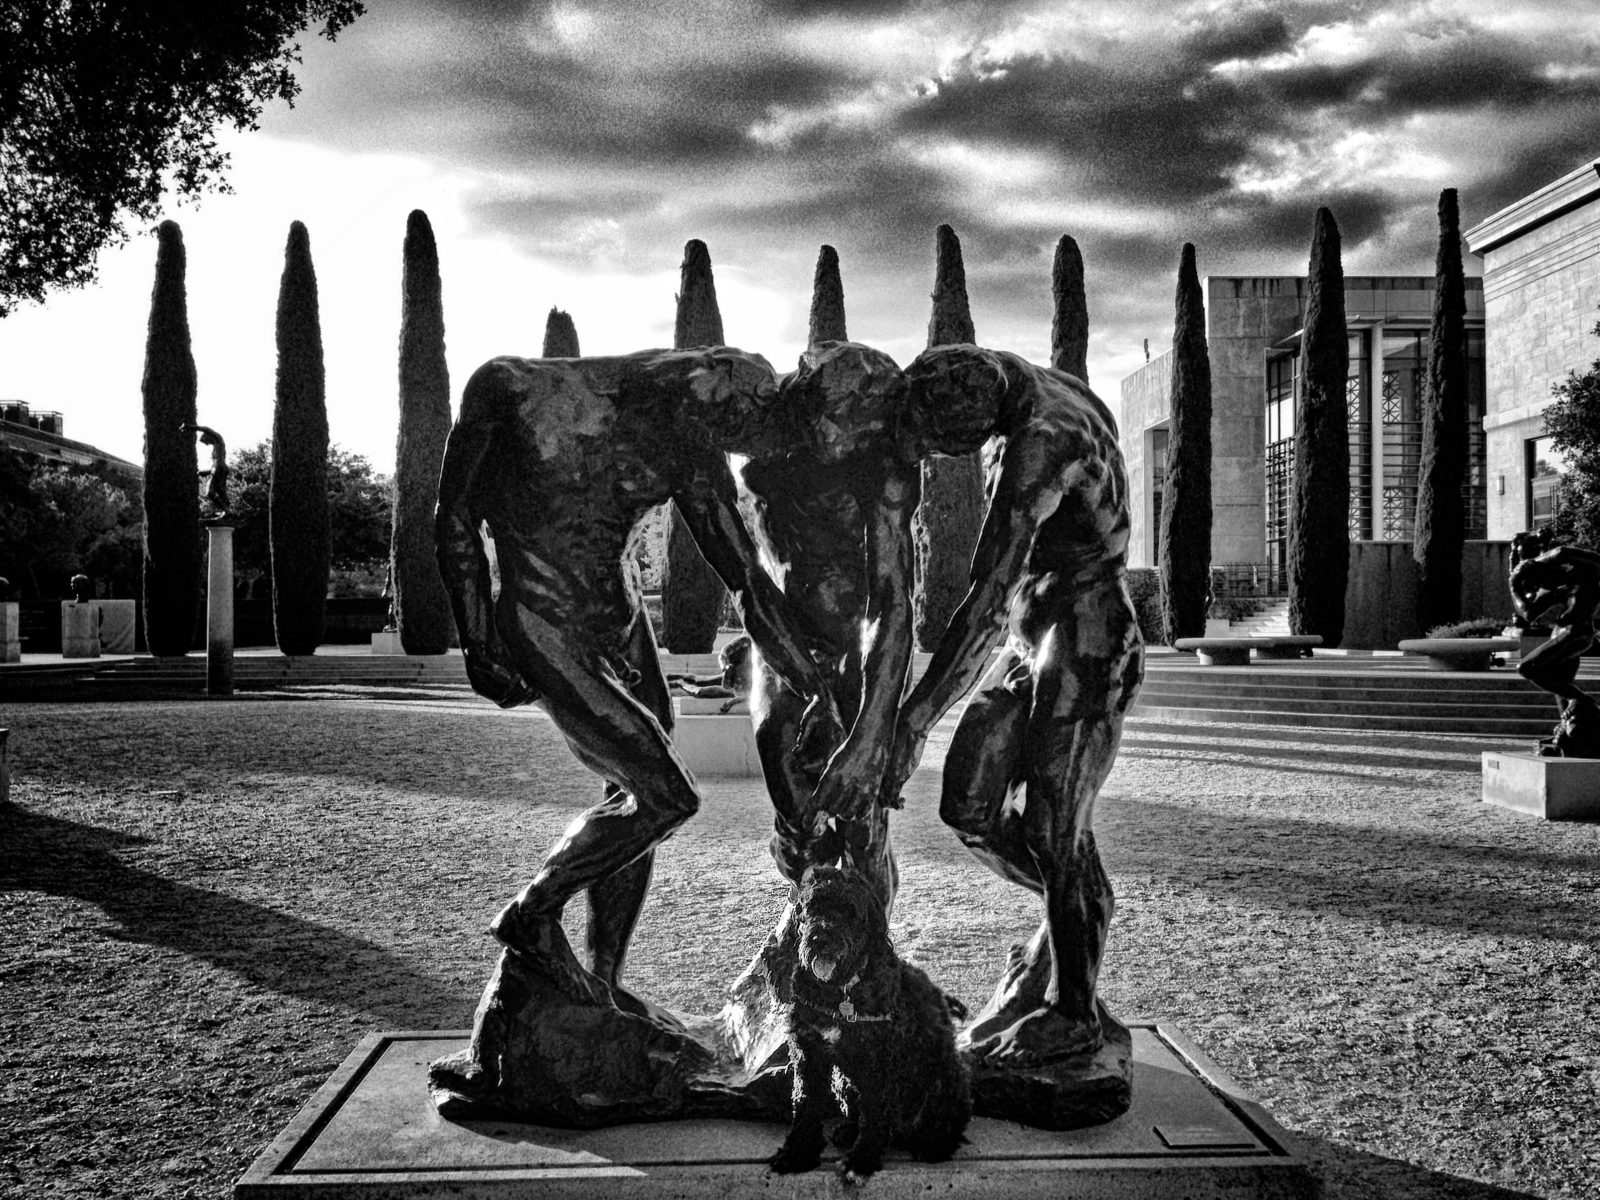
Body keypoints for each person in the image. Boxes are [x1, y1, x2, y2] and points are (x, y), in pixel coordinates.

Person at [434, 347, 838, 1002]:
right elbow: (454, 516)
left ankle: (603, 983)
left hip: (624, 627)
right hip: (544, 623)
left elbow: (744, 578)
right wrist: (480, 639)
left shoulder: (691, 434)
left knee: (627, 792)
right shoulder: (508, 388)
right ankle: (530, 912)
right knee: (664, 796)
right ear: (694, 384)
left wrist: (813, 683)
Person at [881, 344, 1143, 1068]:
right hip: (1037, 639)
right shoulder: (1030, 387)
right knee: (969, 806)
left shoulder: (1043, 440)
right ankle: (1073, 919)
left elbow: (990, 600)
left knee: (1057, 830)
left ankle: (1073, 1012)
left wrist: (913, 720)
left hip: (1087, 636)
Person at [741, 341, 919, 907]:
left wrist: (871, 728)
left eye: (859, 422)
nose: (843, 435)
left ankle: (871, 966)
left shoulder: (883, 470)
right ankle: (808, 956)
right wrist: (769, 644)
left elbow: (893, 603)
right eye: (836, 415)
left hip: (860, 644)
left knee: (863, 825)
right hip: (786, 642)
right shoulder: (770, 453)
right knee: (798, 814)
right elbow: (754, 576)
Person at [1509, 531, 1600, 758]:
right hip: (1562, 632)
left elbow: (1562, 552)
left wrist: (1534, 562)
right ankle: (1572, 738)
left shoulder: (1583, 574)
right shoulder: (1558, 587)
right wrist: (1513, 585)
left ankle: (1583, 701)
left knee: (1527, 668)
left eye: (1541, 582)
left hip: (1576, 633)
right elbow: (1529, 613)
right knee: (1561, 685)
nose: (1543, 587)